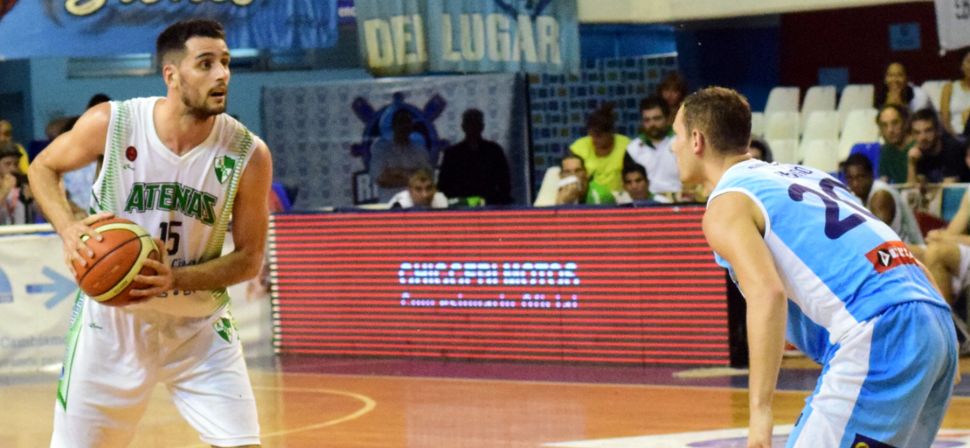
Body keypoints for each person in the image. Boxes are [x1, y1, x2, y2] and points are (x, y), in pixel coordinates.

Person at [28, 19, 270, 448]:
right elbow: (43, 167)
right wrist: (68, 229)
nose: (222, 74)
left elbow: (250, 259)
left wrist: (175, 278)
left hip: (198, 328)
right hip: (111, 327)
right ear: (171, 75)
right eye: (206, 64)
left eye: (226, 62)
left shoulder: (248, 154)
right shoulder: (113, 123)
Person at [672, 86, 956, 447]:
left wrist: (760, 412)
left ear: (697, 140)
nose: (673, 147)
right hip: (933, 319)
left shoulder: (726, 204)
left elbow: (767, 293)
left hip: (878, 329)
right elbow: (892, 247)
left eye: (677, 135)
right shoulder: (810, 176)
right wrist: (939, 335)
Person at [843, 153, 924, 245]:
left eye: (860, 177)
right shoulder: (855, 196)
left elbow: (877, 237)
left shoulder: (881, 195)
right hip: (891, 250)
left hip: (910, 250)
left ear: (871, 175)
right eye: (850, 178)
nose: (855, 183)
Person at [436, 108, 512, 205]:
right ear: (463, 127)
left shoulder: (494, 151)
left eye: (476, 124)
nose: (473, 128)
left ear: (482, 127)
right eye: (469, 124)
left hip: (489, 204)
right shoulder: (452, 154)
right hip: (461, 205)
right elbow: (443, 185)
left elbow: (504, 182)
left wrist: (500, 202)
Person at [369, 109, 433, 203]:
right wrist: (413, 176)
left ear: (411, 126)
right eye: (401, 122)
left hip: (415, 205)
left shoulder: (420, 150)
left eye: (407, 122)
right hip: (390, 204)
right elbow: (381, 180)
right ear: (394, 125)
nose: (404, 126)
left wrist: (396, 171)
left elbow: (427, 177)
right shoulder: (381, 148)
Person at [626, 96, 681, 199]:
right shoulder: (633, 149)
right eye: (647, 120)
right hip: (646, 204)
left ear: (668, 119)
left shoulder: (681, 143)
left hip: (678, 201)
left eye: (657, 118)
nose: (652, 124)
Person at [568, 103, 629, 193]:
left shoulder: (626, 146)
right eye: (591, 135)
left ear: (611, 132)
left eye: (598, 136)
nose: (594, 140)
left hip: (619, 199)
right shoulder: (578, 148)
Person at [907, 107, 970, 184]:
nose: (923, 137)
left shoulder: (952, 148)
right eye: (917, 133)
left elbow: (949, 187)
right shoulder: (918, 153)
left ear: (938, 130)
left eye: (928, 130)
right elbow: (913, 188)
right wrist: (911, 164)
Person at [875, 104, 914, 184]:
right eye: (884, 125)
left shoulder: (919, 146)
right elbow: (883, 181)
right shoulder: (886, 151)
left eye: (895, 123)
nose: (890, 130)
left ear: (905, 123)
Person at [940, 50, 970, 136]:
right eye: (969, 62)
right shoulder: (949, 87)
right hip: (953, 136)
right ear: (962, 66)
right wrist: (955, 138)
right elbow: (944, 120)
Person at [0, 142, 26, 224]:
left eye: (16, 164)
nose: (13, 169)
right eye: (7, 164)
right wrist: (4, 190)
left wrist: (29, 200)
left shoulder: (22, 187)